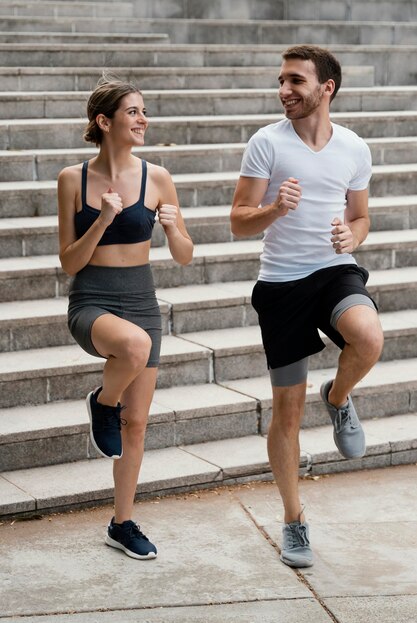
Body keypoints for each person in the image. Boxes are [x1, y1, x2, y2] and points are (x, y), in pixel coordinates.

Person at [230, 45, 383, 569]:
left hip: (333, 271)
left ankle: (338, 397)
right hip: (281, 284)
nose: (284, 90)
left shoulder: (354, 148)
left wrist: (351, 235)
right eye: (281, 80)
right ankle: (295, 520)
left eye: (296, 80)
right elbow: (238, 221)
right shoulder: (266, 143)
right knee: (287, 415)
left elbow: (361, 218)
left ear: (327, 88)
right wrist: (275, 207)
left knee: (369, 337)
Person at [58, 76, 193, 560]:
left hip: (141, 301)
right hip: (92, 302)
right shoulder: (73, 179)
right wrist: (101, 220)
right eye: (133, 112)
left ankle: (122, 522)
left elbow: (184, 255)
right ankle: (102, 401)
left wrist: (175, 230)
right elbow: (69, 263)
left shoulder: (156, 177)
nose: (143, 120)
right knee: (133, 348)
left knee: (136, 424)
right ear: (104, 121)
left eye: (143, 111)